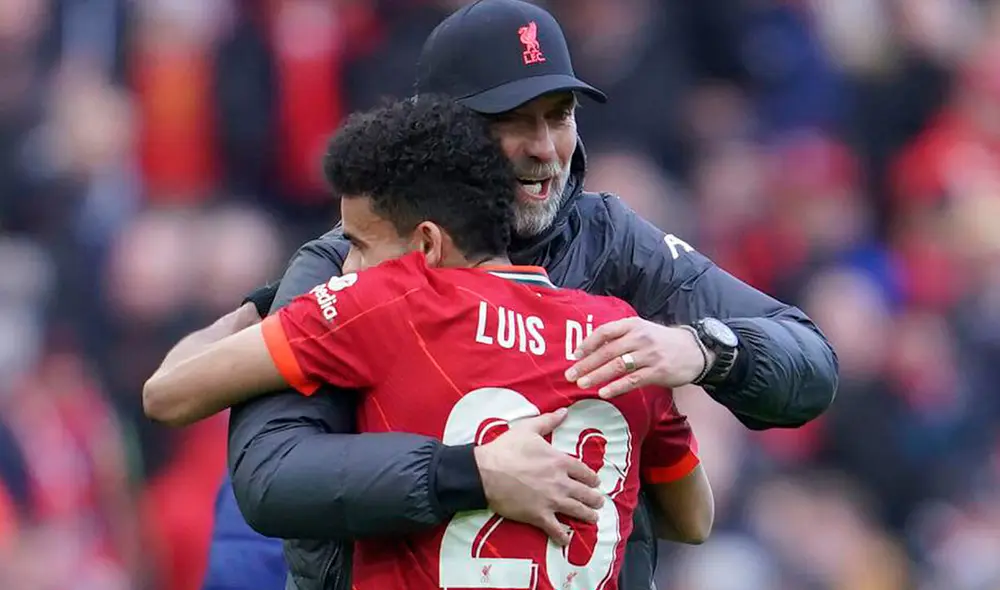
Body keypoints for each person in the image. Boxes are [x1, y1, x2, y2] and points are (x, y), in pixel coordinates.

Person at [198, 1, 838, 588]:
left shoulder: (613, 244)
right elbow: (269, 475)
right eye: (512, 122)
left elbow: (810, 363)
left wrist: (703, 351)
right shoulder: (350, 256)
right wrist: (468, 473)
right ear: (445, 137)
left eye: (559, 116)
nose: (545, 149)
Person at [145, 96, 714, 590]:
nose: (345, 266)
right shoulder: (616, 333)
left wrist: (254, 309)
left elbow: (167, 393)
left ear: (426, 246)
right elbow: (694, 519)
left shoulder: (389, 303)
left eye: (360, 245)